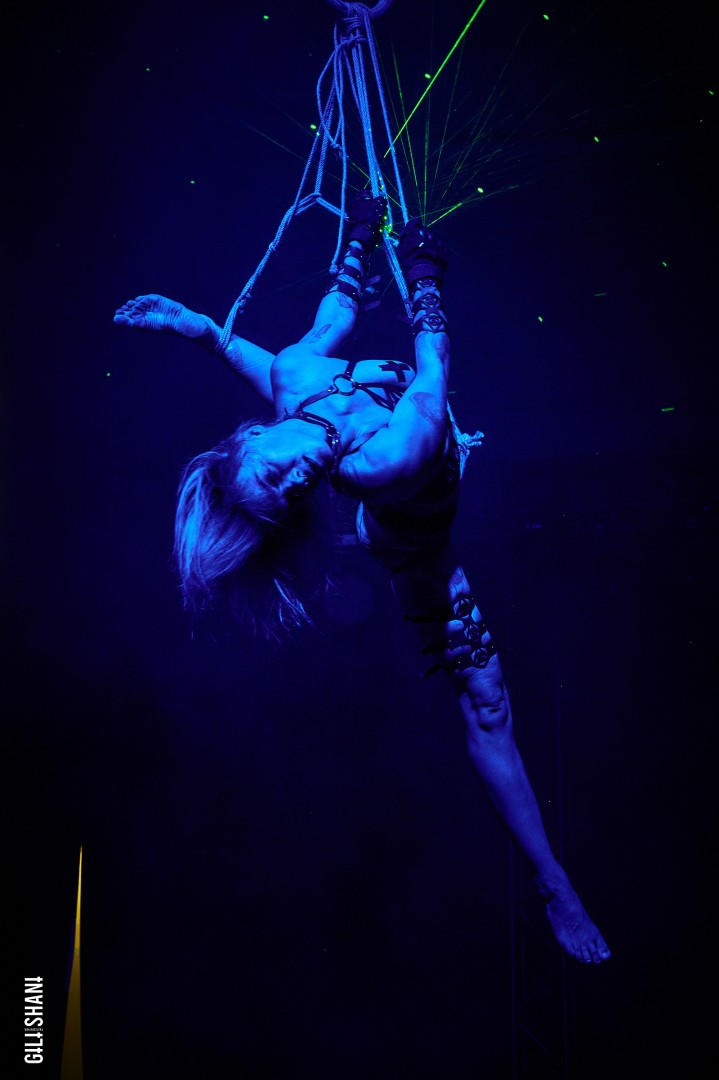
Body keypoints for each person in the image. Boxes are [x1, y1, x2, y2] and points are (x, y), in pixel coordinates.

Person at [114, 193, 611, 964]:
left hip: (371, 444)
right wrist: (424, 276)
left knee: (288, 367)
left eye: (275, 475)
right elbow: (432, 369)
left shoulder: (293, 378)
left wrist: (354, 242)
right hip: (414, 536)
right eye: (289, 497)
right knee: (488, 706)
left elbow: (325, 319)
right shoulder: (381, 463)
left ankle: (550, 880)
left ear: (251, 437)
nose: (299, 481)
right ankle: (552, 882)